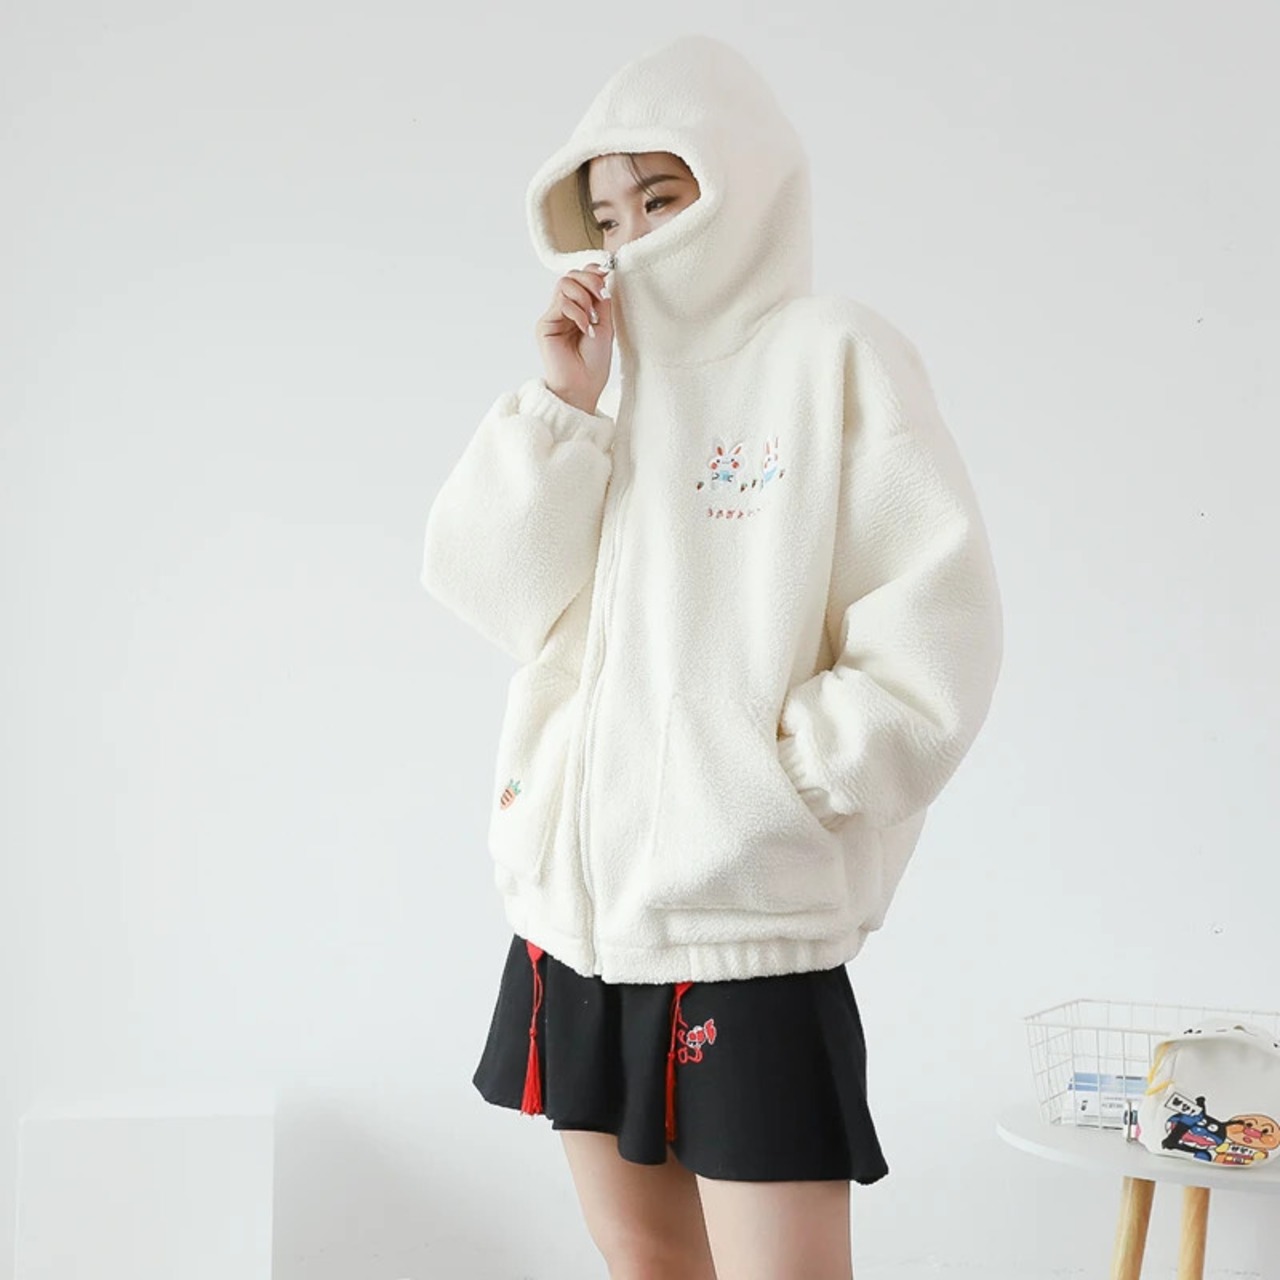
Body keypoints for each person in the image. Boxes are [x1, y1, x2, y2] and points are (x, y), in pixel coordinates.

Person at [420, 32, 1004, 1280]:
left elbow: (935, 630)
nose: (630, 237)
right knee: (646, 1262)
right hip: (573, 923)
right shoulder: (605, 387)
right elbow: (488, 590)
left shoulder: (830, 356)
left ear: (740, 186)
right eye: (606, 215)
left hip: (744, 927)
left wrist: (770, 790)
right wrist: (561, 403)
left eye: (661, 198)